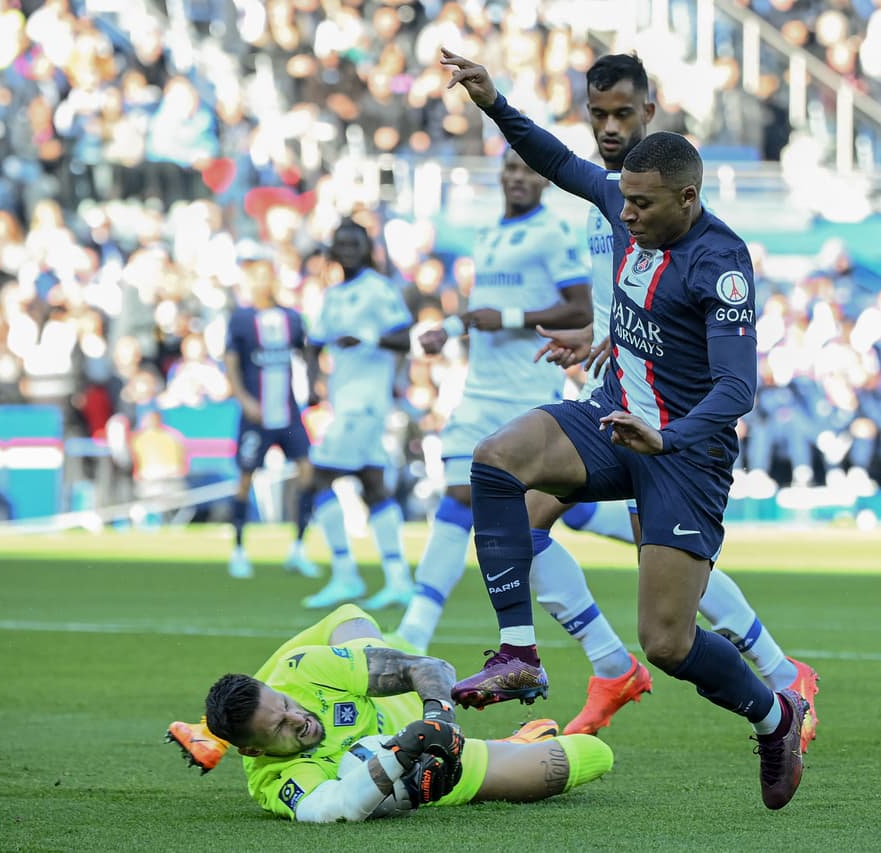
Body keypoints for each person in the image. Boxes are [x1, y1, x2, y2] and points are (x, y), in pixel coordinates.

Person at [440, 48, 808, 810]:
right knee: (494, 464)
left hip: (684, 456)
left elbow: (738, 385)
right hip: (615, 419)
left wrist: (665, 437)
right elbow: (556, 159)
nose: (625, 214)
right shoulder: (623, 205)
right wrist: (493, 103)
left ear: (686, 196)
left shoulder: (722, 262)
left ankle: (776, 715)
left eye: (641, 205)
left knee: (667, 643)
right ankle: (518, 652)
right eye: (623, 201)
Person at [524, 53, 820, 741]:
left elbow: (687, 311)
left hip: (665, 409)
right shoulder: (605, 191)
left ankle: (775, 677)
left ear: (649, 113)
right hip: (615, 385)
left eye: (622, 113)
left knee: (658, 568)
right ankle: (621, 666)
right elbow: (622, 291)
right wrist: (601, 338)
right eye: (597, 114)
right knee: (526, 512)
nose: (607, 126)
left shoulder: (673, 200)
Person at [393, 149, 609, 664]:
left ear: (543, 180)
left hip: (525, 392)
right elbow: (483, 313)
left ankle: (633, 536)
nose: (517, 177)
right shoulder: (487, 235)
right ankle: (413, 632)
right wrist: (446, 329)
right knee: (463, 494)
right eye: (510, 168)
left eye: (527, 169)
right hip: (479, 391)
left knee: (537, 509)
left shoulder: (552, 233)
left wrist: (509, 316)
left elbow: (580, 308)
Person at [164, 604, 614, 822]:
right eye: (280, 727)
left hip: (412, 701)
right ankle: (513, 745)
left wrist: (440, 720)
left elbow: (430, 669)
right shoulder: (273, 781)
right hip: (430, 765)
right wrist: (405, 755)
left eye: (286, 706)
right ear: (253, 750)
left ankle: (211, 730)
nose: (297, 718)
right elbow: (335, 806)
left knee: (348, 618)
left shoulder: (300, 673)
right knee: (590, 756)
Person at [300, 218, 416, 612]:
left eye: (355, 243)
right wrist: (314, 384)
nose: (348, 249)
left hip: (365, 402)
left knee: (317, 479)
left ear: (367, 249)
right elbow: (313, 342)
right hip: (344, 400)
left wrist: (366, 337)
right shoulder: (333, 296)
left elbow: (404, 335)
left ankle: (346, 573)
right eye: (341, 243)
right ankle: (399, 579)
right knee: (372, 485)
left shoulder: (378, 290)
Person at [223, 255, 317, 579]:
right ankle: (238, 549)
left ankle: (298, 548)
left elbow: (307, 352)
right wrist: (244, 399)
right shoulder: (241, 320)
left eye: (268, 275)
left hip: (288, 414)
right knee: (245, 479)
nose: (263, 282)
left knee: (308, 473)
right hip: (256, 415)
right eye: (257, 276)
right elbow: (231, 363)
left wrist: (316, 384)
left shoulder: (292, 318)